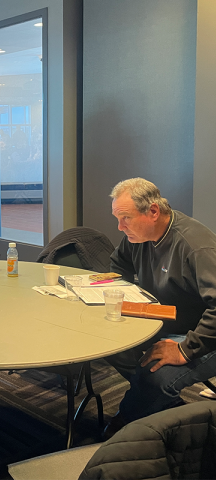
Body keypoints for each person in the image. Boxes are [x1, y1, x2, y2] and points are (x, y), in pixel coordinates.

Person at [103, 177, 216, 438]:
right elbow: (119, 266)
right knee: (107, 342)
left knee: (156, 377)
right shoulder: (136, 236)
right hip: (167, 321)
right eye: (117, 218)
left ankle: (125, 428)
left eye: (126, 218)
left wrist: (185, 350)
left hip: (204, 336)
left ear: (153, 211)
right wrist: (131, 304)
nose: (120, 227)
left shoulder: (196, 247)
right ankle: (163, 407)